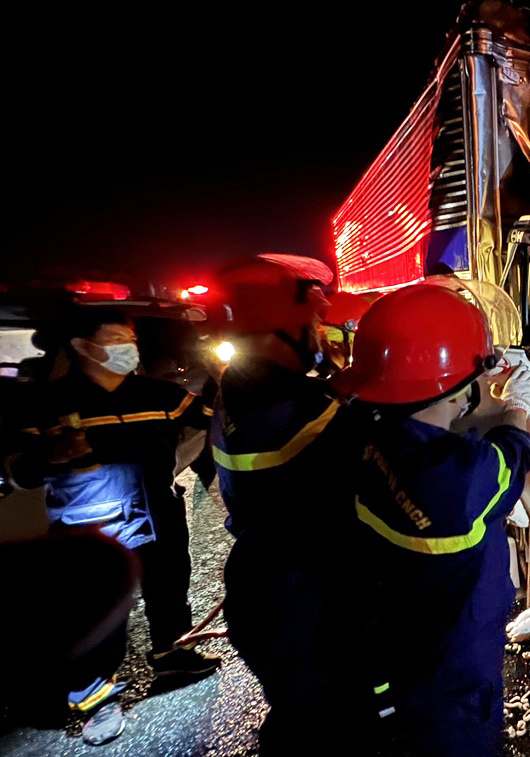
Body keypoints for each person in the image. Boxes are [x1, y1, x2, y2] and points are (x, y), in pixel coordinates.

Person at [335, 284, 530, 756]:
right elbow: (511, 456)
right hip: (451, 672)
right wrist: (517, 407)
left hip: (387, 639)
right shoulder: (458, 477)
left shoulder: (356, 431)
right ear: (456, 386)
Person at [9, 307, 219, 745]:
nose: (127, 348)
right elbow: (17, 471)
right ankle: (95, 699)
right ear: (83, 347)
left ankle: (173, 656)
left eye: (131, 339)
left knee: (169, 588)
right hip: (89, 527)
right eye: (114, 339)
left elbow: (215, 423)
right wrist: (48, 457)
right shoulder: (47, 406)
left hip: (159, 512)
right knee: (98, 612)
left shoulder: (160, 395)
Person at [204, 253, 368, 754]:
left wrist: (342, 385)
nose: (324, 332)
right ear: (284, 330)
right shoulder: (300, 414)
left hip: (265, 591)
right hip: (313, 607)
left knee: (299, 717)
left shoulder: (239, 388)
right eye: (316, 321)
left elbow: (303, 414)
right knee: (332, 728)